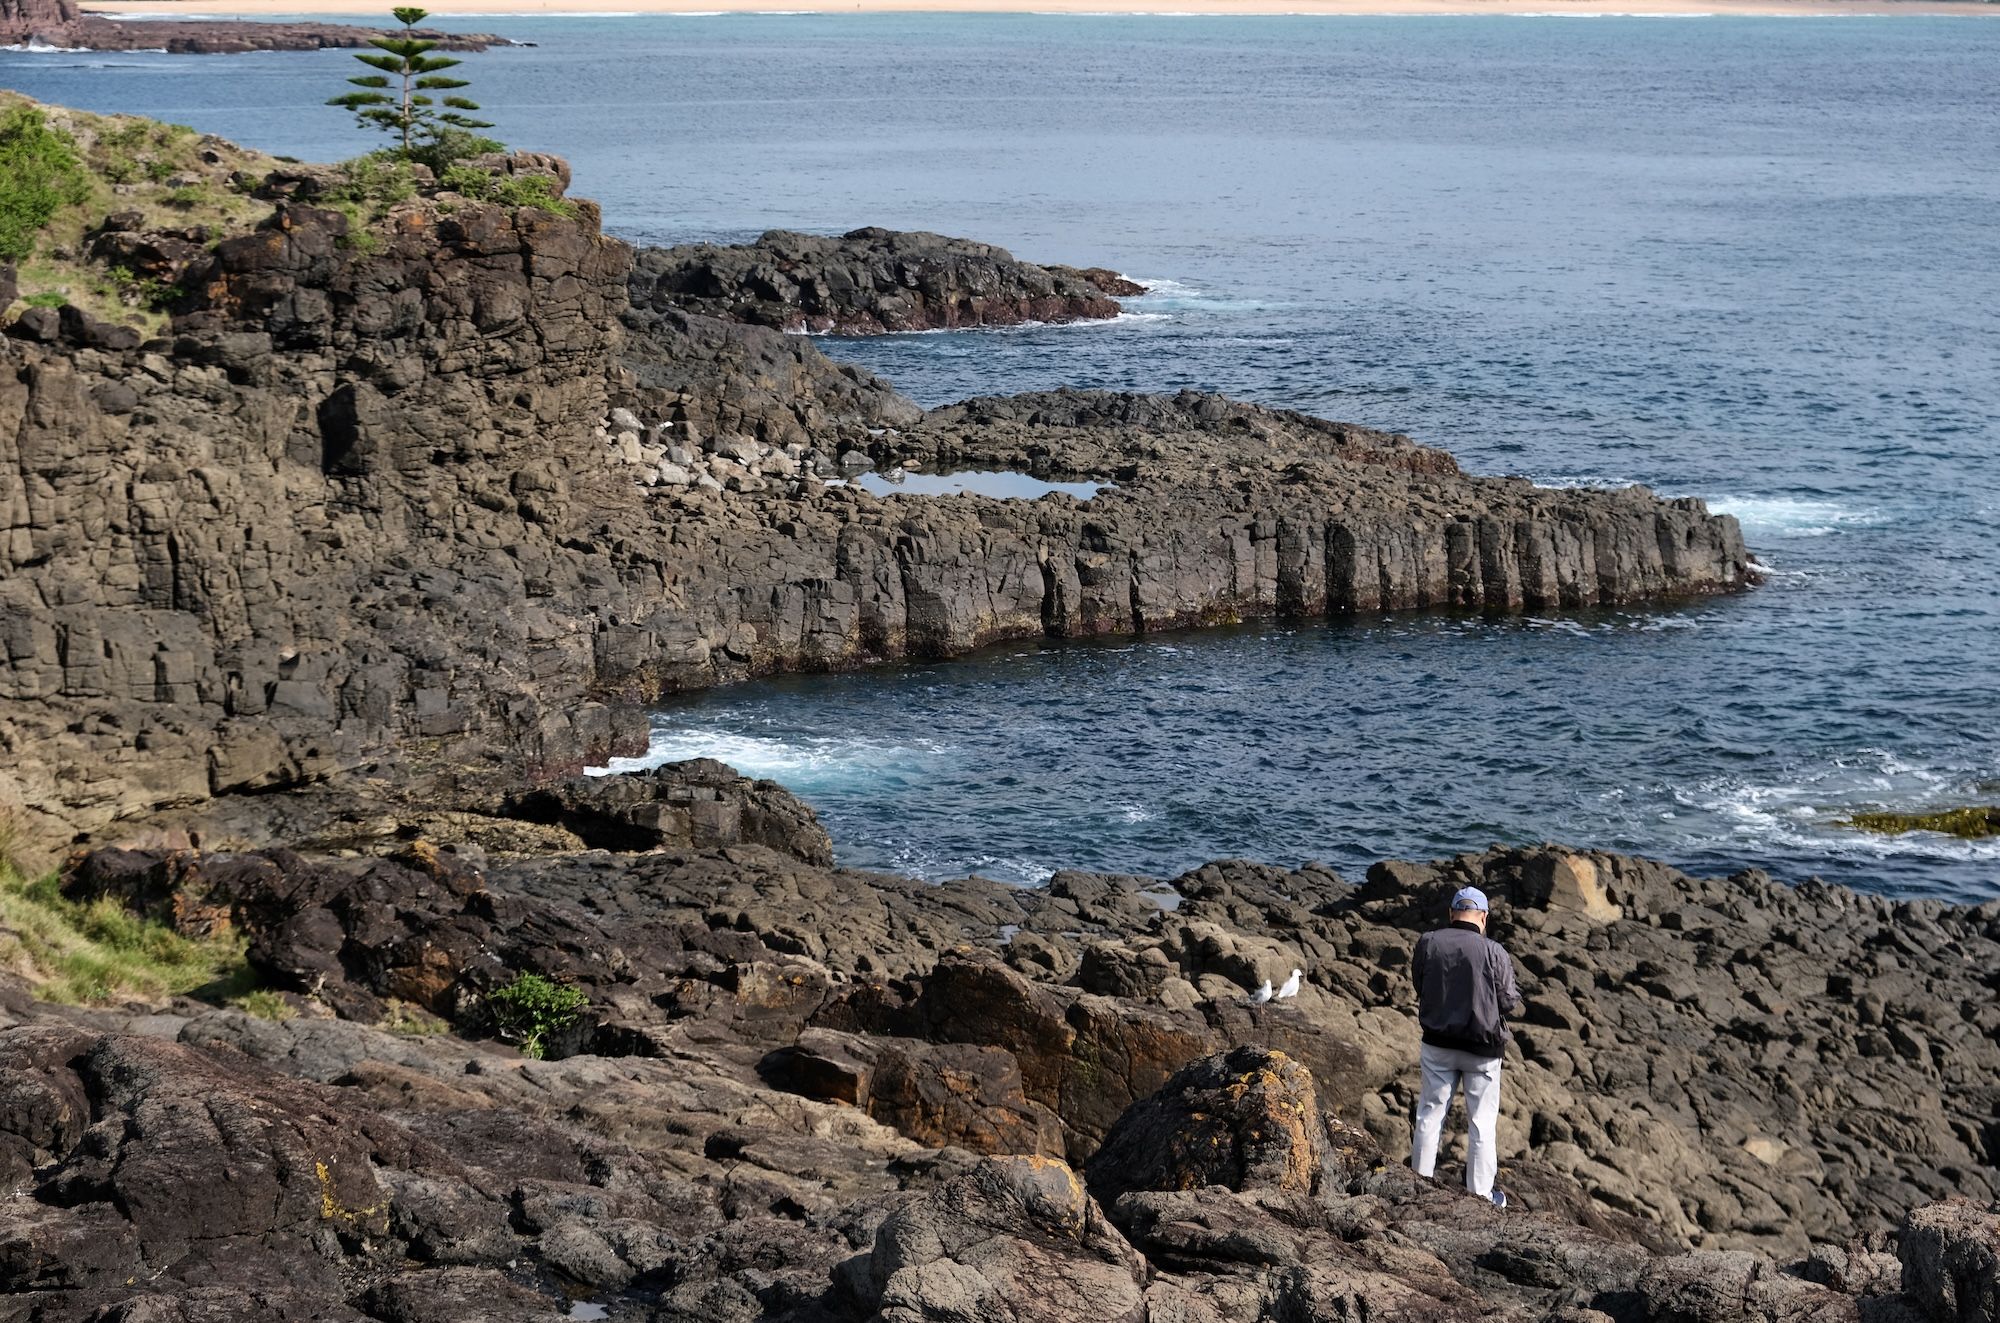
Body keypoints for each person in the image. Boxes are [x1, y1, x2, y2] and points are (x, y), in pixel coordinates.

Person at [1409, 885, 1520, 1208]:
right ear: (1483, 917)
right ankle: (1481, 1196)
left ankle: (1419, 1184)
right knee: (1481, 1124)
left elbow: (1420, 983)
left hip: (1438, 1044)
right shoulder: (1494, 951)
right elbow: (1509, 1001)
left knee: (1429, 1115)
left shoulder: (1428, 942)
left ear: (1451, 914)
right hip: (1482, 1049)